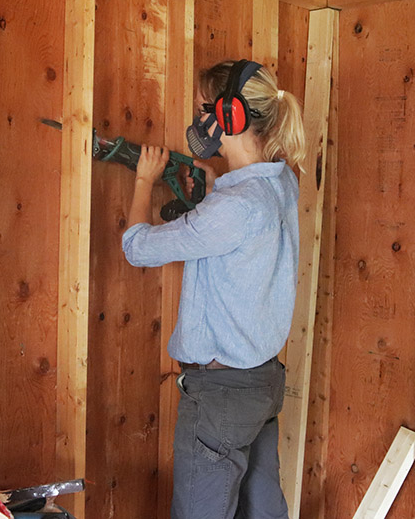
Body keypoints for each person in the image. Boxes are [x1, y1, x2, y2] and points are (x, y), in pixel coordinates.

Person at [121, 59, 306, 519]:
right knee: (264, 510)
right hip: (262, 382)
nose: (198, 119)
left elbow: (137, 248)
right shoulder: (282, 182)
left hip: (220, 393)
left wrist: (144, 182)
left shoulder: (233, 206)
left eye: (205, 108)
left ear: (230, 117)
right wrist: (213, 190)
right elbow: (234, 239)